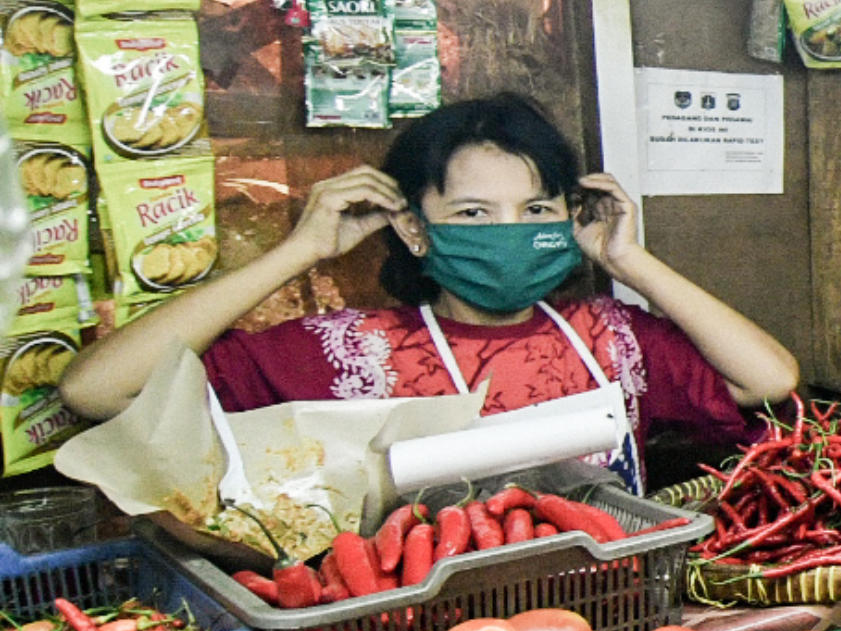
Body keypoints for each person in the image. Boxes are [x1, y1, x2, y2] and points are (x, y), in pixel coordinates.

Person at [60, 92, 800, 492]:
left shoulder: (614, 336)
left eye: (536, 211)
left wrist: (632, 262)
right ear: (416, 231)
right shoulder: (348, 353)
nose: (509, 231)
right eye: (475, 214)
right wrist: (297, 252)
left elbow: (768, 378)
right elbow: (99, 391)